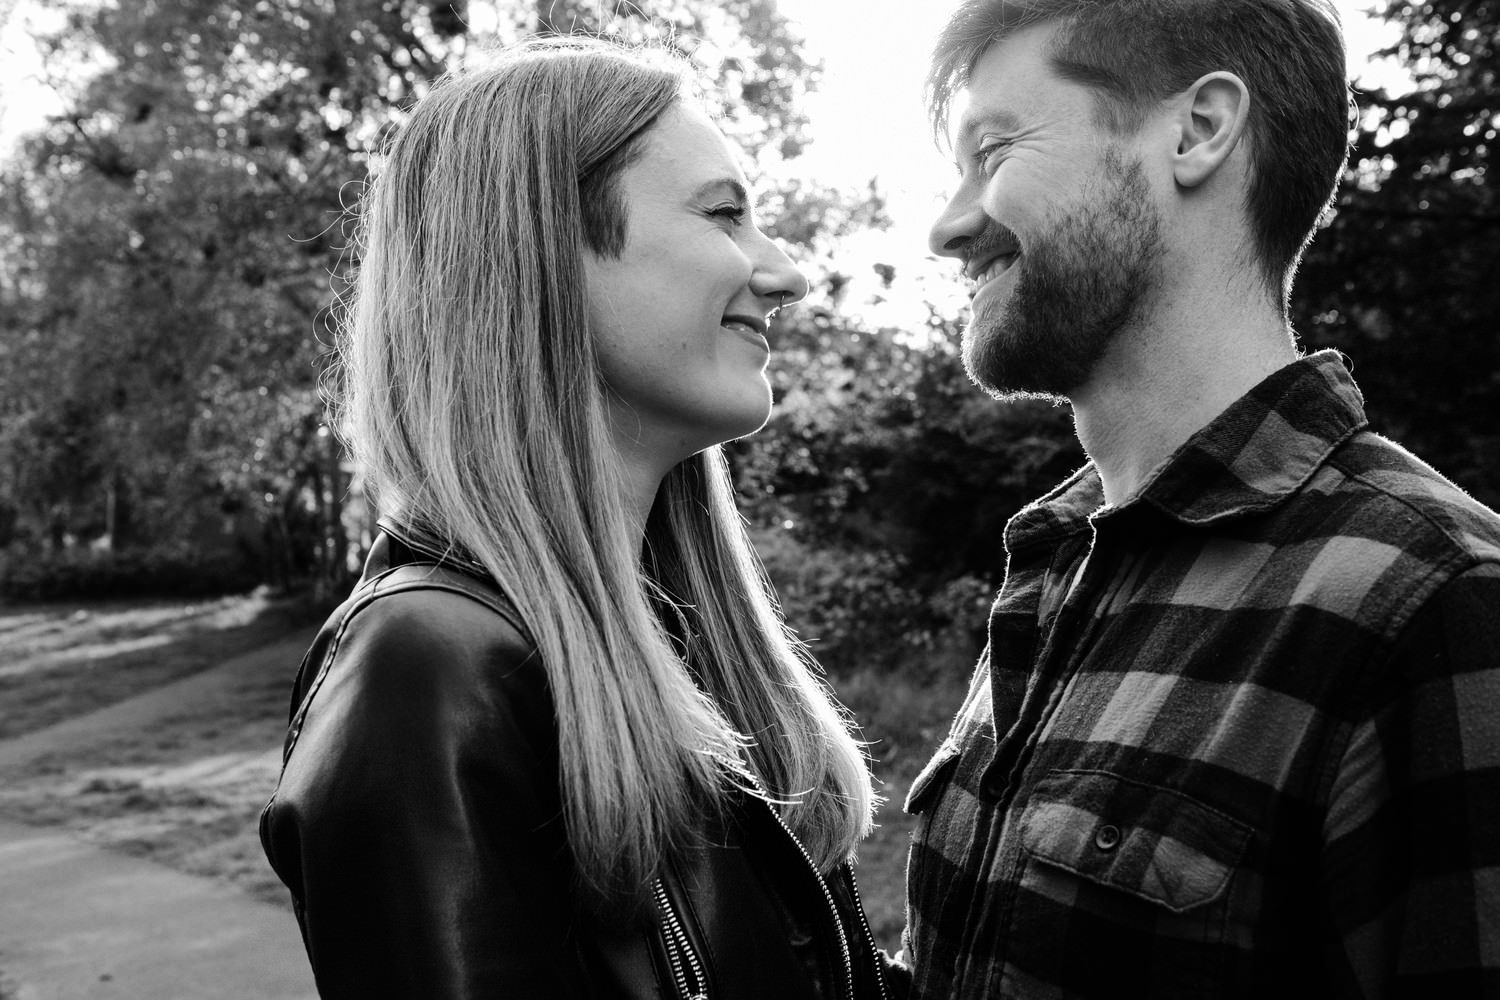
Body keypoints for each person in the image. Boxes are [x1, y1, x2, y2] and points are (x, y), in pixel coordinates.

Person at [258, 36, 893, 999]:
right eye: (726, 215)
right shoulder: (432, 668)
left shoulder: (667, 633)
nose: (787, 274)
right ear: (543, 249)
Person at [899, 1, 1500, 996]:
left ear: (1200, 129)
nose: (948, 225)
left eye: (994, 148)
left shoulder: (1436, 602)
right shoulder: (1057, 565)